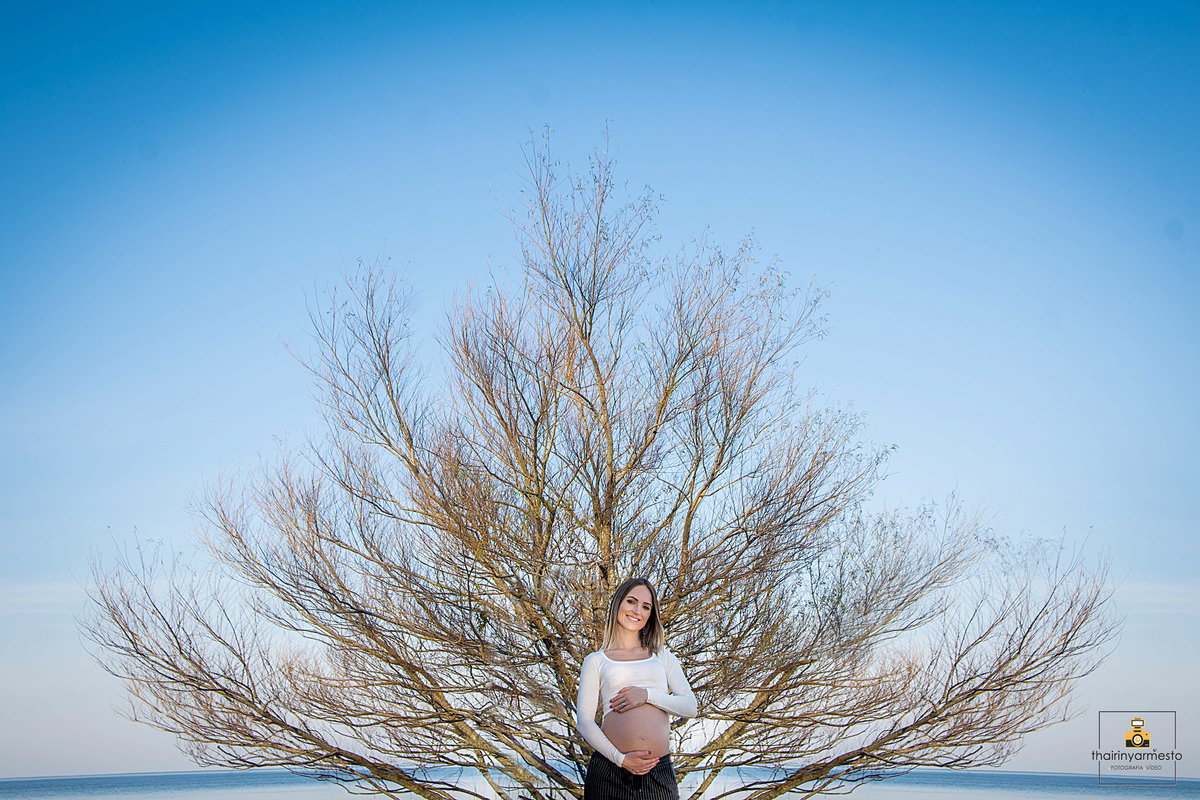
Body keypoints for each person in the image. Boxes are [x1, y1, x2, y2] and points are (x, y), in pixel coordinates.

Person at [576, 577, 698, 800]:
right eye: (631, 601)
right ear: (618, 603)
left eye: (646, 607)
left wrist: (647, 695)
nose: (637, 611)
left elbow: (690, 707)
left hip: (657, 774)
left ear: (651, 615)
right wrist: (621, 759)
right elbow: (584, 721)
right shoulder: (596, 661)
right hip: (609, 772)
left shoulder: (662, 655)